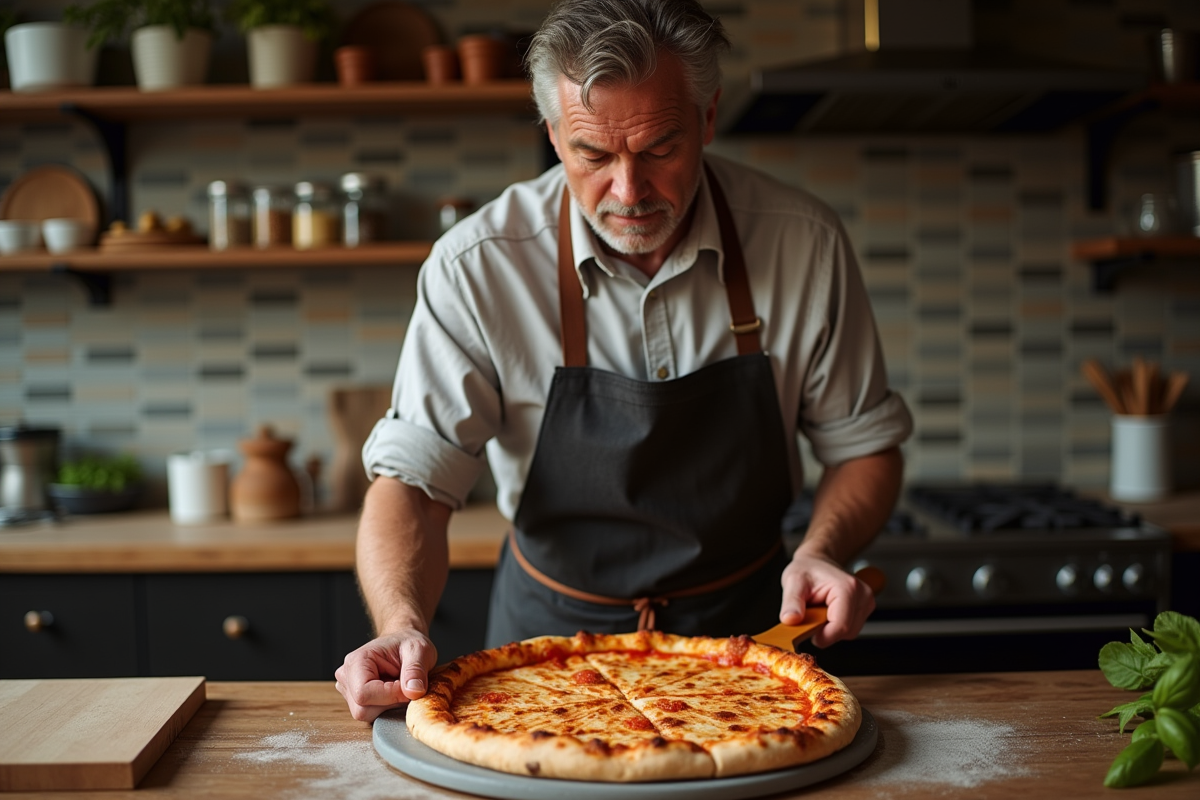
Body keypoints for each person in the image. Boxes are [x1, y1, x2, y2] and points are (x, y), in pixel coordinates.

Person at [336, 0, 912, 723]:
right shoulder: (478, 266)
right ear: (552, 134)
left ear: (707, 118)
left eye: (660, 148)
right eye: (594, 155)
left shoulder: (804, 244)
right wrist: (400, 622)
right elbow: (414, 483)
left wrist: (823, 549)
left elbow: (866, 448)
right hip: (542, 650)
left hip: (751, 639)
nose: (629, 192)